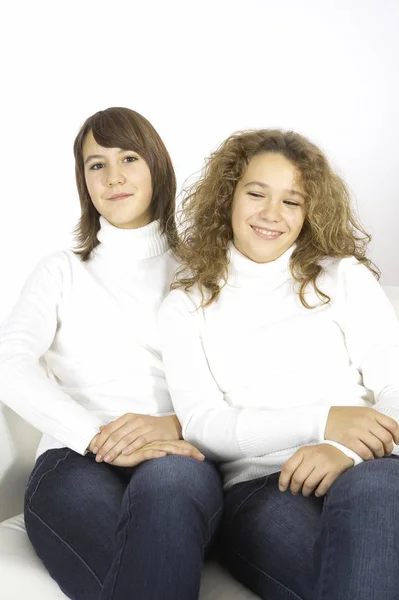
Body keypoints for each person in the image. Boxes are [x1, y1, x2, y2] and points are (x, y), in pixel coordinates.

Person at [159, 129, 399, 600]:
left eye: (292, 201)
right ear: (228, 196)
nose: (272, 214)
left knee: (375, 509)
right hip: (265, 488)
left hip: (368, 468)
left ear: (309, 211)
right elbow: (203, 424)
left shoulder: (342, 276)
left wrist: (344, 451)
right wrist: (321, 421)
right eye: (256, 193)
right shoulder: (187, 303)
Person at [0, 107, 223, 600]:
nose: (113, 176)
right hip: (74, 457)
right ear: (83, 181)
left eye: (128, 157)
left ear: (156, 168)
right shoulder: (61, 270)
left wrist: (169, 430)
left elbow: (235, 382)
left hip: (177, 458)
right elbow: (8, 365)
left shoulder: (203, 271)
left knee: (168, 495)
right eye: (95, 164)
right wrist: (98, 438)